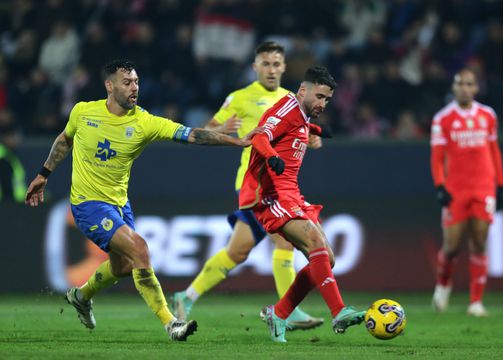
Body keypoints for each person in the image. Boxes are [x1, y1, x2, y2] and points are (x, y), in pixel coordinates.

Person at [25, 59, 258, 341]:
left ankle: (81, 295)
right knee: (140, 250)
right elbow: (64, 140)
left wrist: (237, 141)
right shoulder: (83, 112)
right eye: (127, 82)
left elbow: (193, 135)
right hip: (87, 204)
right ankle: (171, 323)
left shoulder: (145, 122)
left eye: (136, 81)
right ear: (109, 86)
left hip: (119, 204)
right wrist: (44, 173)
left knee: (123, 266)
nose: (134, 87)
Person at [173, 41, 323, 330]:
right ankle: (288, 311)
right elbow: (206, 130)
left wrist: (311, 139)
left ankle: (186, 296)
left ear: (283, 67)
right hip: (255, 184)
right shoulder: (240, 97)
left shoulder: (293, 99)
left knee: (237, 251)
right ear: (255, 67)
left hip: (281, 186)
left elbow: (299, 134)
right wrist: (222, 129)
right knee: (284, 240)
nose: (271, 69)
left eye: (276, 63)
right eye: (265, 63)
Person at [240, 65, 366, 343]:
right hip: (269, 194)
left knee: (327, 259)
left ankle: (279, 313)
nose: (322, 103)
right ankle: (339, 312)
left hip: (291, 193)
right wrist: (271, 156)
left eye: (327, 100)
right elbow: (260, 136)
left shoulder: (301, 113)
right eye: (319, 97)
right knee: (314, 242)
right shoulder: (285, 109)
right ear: (303, 90)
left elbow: (298, 124)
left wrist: (317, 129)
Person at [430, 69, 503, 317]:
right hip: (456, 189)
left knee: (480, 242)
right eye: (460, 83)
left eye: (469, 84)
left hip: (484, 187)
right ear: (454, 88)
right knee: (451, 246)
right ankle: (443, 286)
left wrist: (500, 184)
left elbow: (494, 150)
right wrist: (440, 186)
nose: (464, 87)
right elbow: (437, 157)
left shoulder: (488, 115)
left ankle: (475, 302)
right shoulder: (443, 118)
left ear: (476, 88)